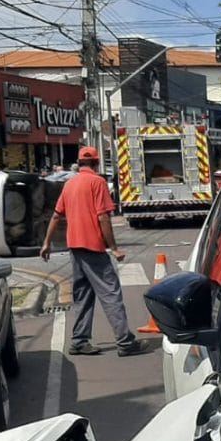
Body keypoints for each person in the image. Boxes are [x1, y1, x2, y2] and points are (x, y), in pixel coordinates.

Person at [39, 146, 144, 356]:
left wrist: (46, 243)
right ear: (96, 163)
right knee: (110, 293)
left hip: (75, 247)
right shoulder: (98, 182)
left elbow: (57, 215)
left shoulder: (70, 184)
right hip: (93, 247)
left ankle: (79, 340)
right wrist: (113, 247)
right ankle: (125, 341)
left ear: (79, 163)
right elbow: (103, 217)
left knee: (83, 294)